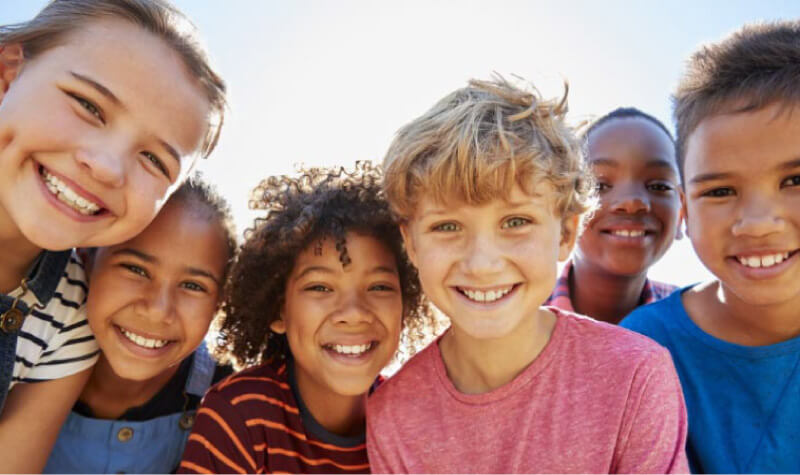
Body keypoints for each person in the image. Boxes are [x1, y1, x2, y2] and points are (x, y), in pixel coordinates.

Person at [367, 76, 689, 473]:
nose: (482, 263)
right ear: (411, 243)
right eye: (447, 226)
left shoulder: (637, 376)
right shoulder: (393, 415)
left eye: (516, 221)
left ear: (567, 232)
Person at [0, 0, 225, 471]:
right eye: (88, 105)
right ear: (8, 73)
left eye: (154, 160)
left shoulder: (68, 324)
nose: (105, 166)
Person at [620, 21, 800, 473]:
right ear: (683, 209)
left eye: (795, 181)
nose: (758, 224)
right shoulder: (644, 349)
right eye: (720, 191)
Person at [179, 162, 434, 474]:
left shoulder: (418, 425)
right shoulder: (241, 415)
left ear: (405, 305)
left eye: (379, 287)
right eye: (320, 287)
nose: (354, 312)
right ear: (278, 310)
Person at [44, 175, 236, 473]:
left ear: (220, 303)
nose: (158, 311)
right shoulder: (25, 352)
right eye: (136, 269)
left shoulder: (232, 399)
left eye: (193, 286)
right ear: (85, 258)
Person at [546, 107, 682, 323]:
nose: (632, 202)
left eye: (658, 186)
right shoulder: (515, 319)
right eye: (599, 185)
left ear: (682, 212)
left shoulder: (699, 327)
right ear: (564, 210)